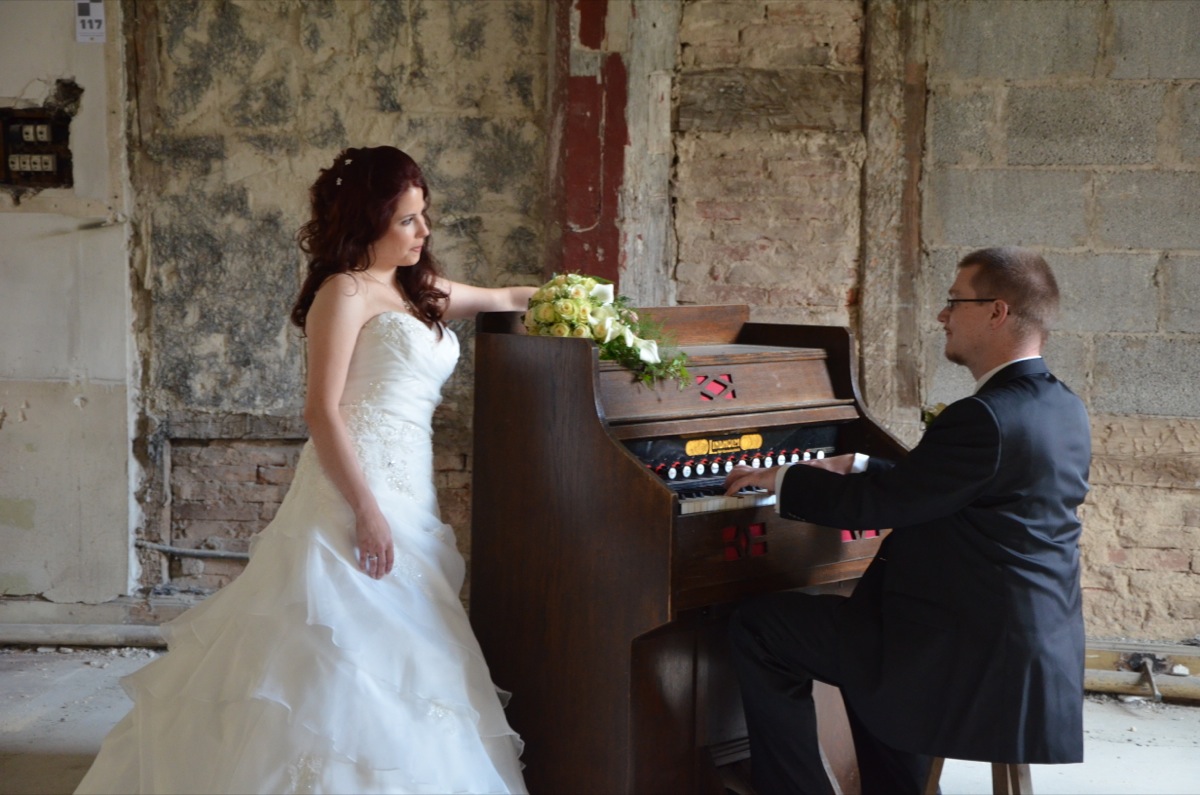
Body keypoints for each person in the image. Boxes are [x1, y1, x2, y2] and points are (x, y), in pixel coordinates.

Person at [76, 146, 535, 794]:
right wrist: (367, 510)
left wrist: (592, 305)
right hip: (354, 488)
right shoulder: (342, 292)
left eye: (424, 215)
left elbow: (507, 296)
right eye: (407, 219)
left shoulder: (417, 288)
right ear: (369, 220)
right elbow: (321, 411)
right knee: (339, 635)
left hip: (412, 487)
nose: (423, 231)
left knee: (409, 643)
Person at [723, 246, 1091, 794]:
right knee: (866, 628)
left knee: (761, 626)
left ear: (997, 312)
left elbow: (882, 506)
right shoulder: (1059, 405)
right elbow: (950, 488)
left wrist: (782, 479)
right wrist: (859, 463)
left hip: (962, 654)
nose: (943, 315)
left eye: (955, 301)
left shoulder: (984, 416)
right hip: (1029, 650)